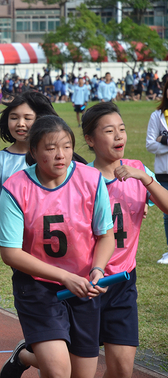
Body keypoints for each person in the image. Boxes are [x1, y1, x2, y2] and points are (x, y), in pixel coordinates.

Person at [0, 115, 115, 378]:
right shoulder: (16, 188)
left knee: (82, 373)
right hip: (38, 289)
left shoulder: (91, 179)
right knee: (58, 369)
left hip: (83, 287)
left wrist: (97, 269)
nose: (60, 155)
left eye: (66, 147)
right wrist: (64, 276)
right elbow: (10, 253)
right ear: (34, 151)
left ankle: (24, 356)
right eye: (51, 148)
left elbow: (106, 235)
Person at [81, 102, 168, 378]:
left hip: (122, 283)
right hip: (85, 283)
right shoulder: (80, 178)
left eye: (122, 129)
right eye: (109, 131)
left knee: (121, 369)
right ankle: (30, 354)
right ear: (90, 140)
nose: (119, 136)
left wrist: (144, 178)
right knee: (70, 369)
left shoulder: (137, 170)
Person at [146, 80, 168, 264]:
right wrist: (165, 143)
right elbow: (150, 144)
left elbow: (159, 141)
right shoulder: (157, 116)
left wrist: (165, 139)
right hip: (164, 172)